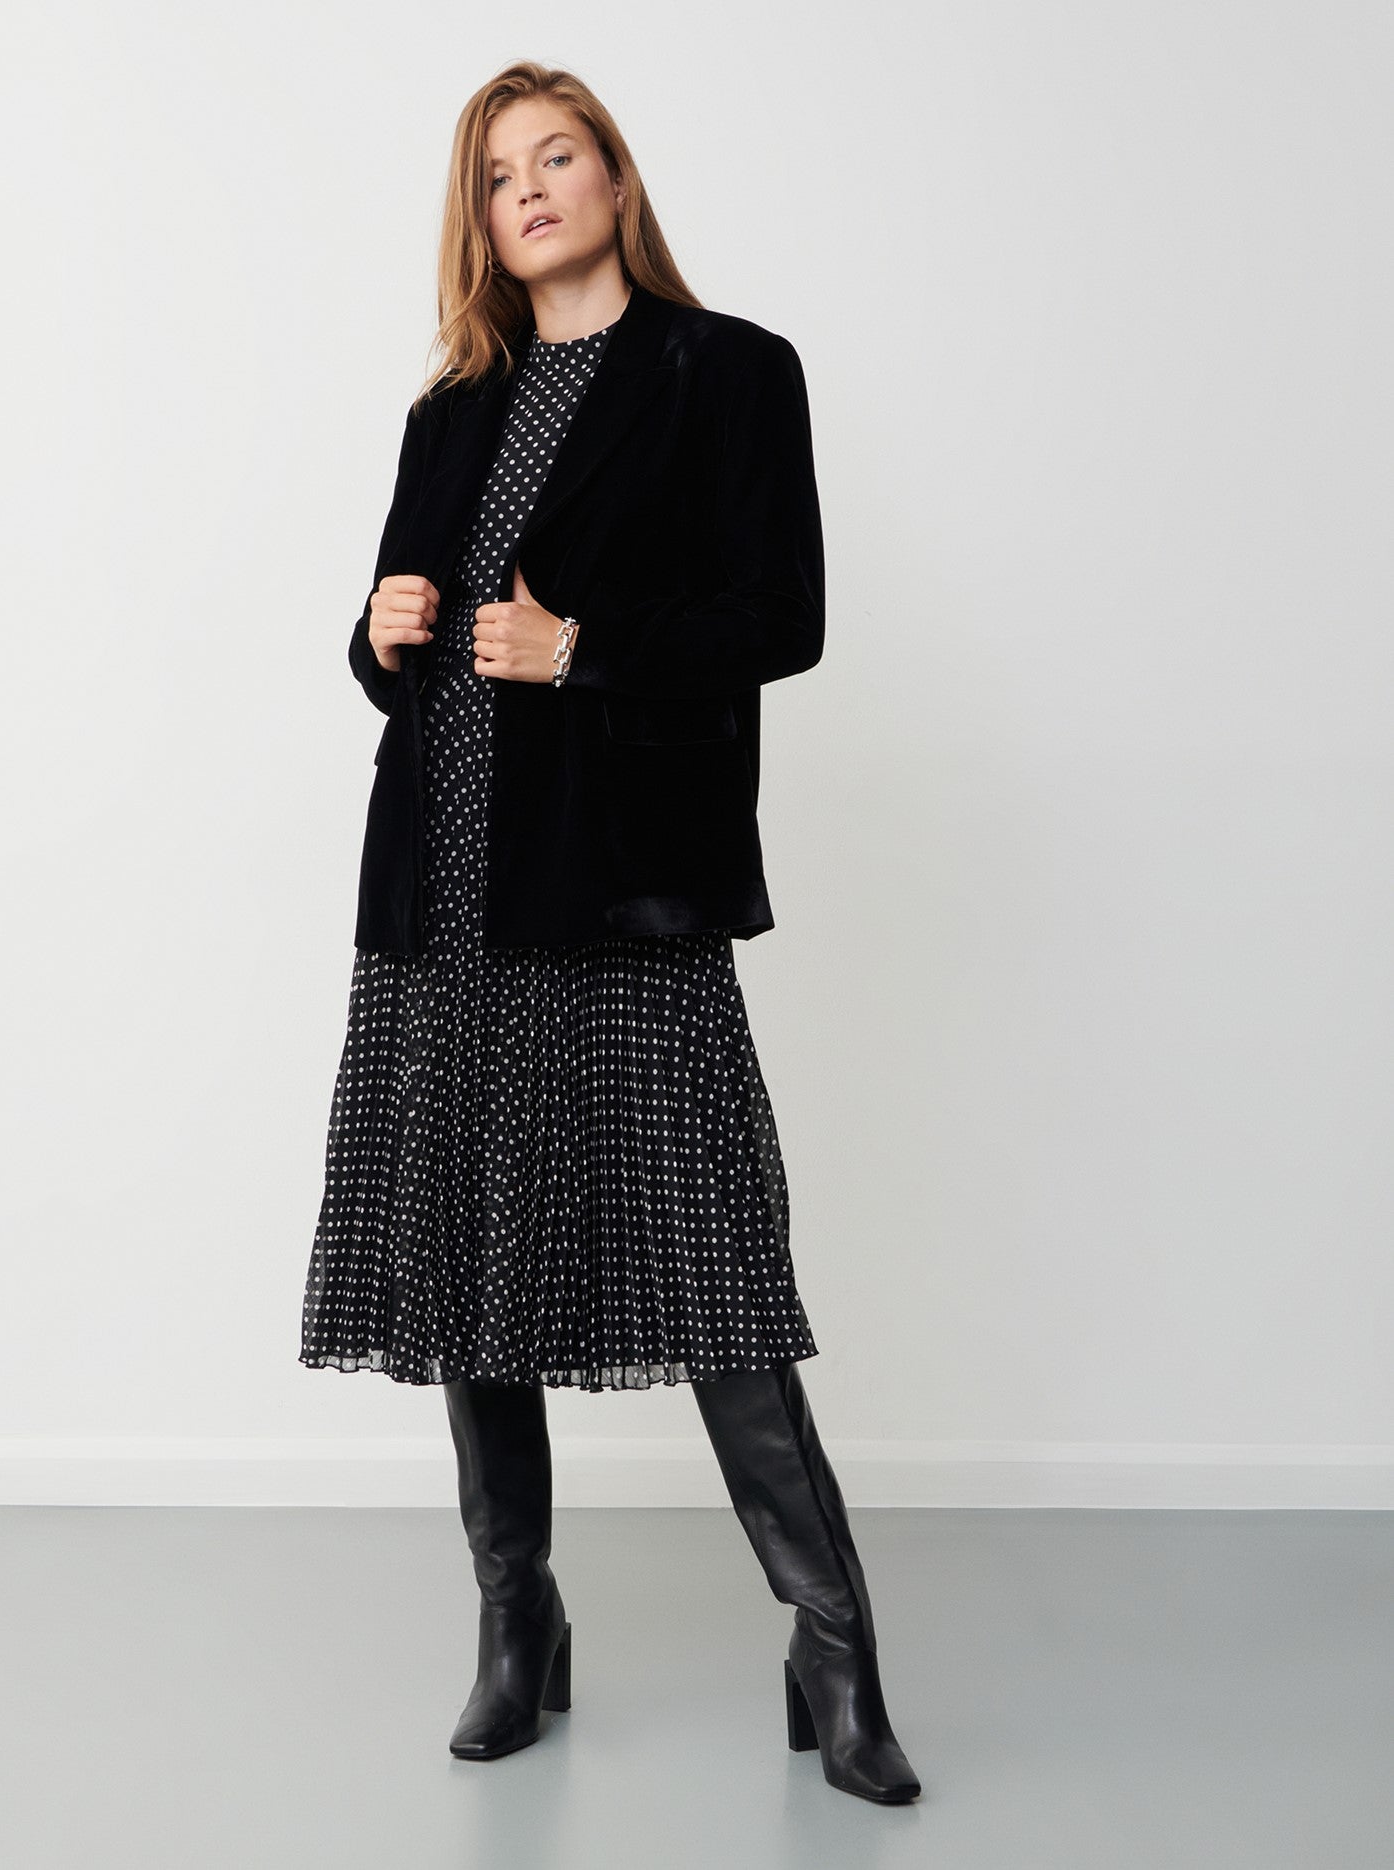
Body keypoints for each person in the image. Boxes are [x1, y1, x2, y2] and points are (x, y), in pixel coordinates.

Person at [299, 61, 922, 1806]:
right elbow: (400, 660)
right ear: (482, 222)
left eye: (558, 155)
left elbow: (781, 614)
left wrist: (581, 651)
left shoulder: (728, 370)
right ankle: (519, 1619)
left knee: (714, 1258)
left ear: (616, 179)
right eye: (500, 174)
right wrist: (377, 629)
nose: (532, 188)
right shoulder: (450, 412)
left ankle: (834, 1645)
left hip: (620, 874)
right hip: (448, 883)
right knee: (470, 1262)